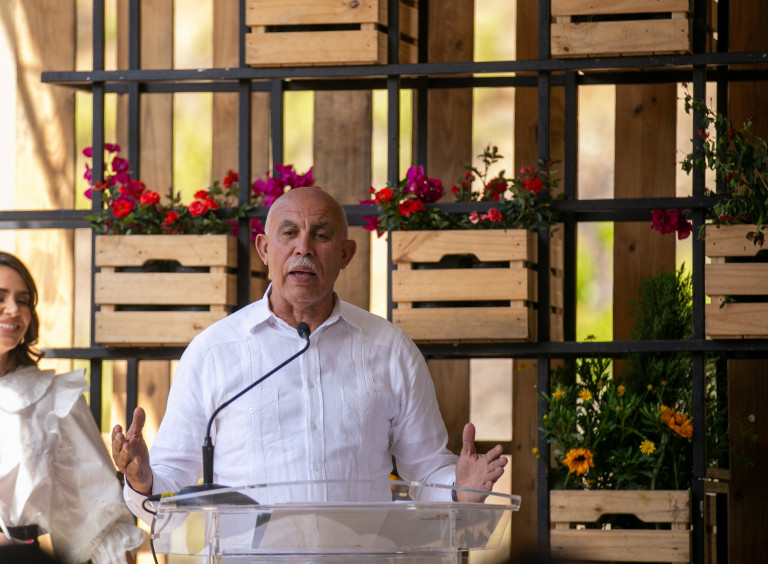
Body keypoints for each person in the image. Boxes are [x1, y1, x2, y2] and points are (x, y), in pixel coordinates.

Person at [113, 187, 508, 523]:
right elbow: (170, 485)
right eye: (289, 233)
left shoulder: (390, 350)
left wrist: (459, 489)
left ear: (346, 254)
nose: (303, 247)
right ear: (264, 249)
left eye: (321, 235)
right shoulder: (213, 353)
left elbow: (426, 472)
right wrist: (143, 482)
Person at [0, 252, 146, 564]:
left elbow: (95, 515)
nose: (13, 309)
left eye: (23, 300)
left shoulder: (53, 398)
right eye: (1, 297)